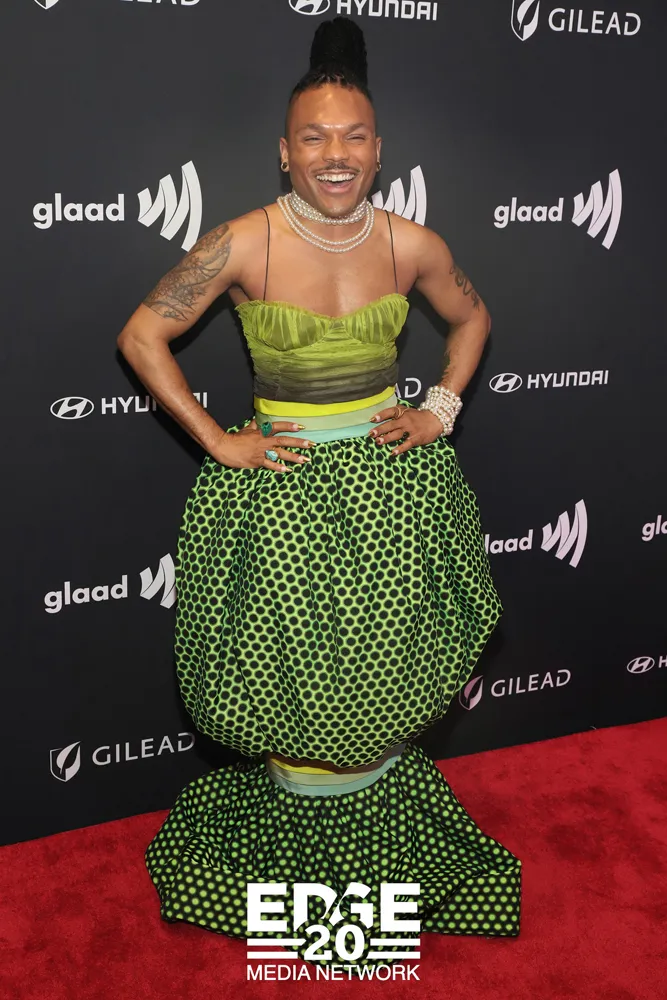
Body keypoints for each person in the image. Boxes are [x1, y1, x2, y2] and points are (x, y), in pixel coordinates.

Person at [118, 16, 521, 970]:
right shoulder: (241, 243)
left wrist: (440, 408)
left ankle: (367, 878)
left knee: (378, 673)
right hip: (285, 496)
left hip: (391, 492)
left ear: (378, 150)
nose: (333, 154)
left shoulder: (411, 243)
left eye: (352, 136)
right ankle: (310, 882)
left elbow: (473, 321)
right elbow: (141, 335)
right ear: (284, 150)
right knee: (297, 686)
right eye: (313, 137)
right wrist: (219, 439)